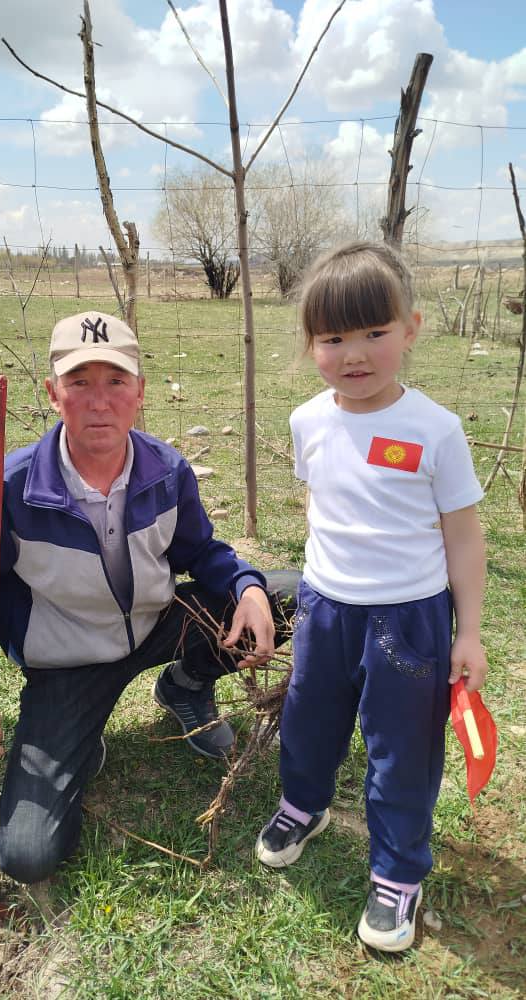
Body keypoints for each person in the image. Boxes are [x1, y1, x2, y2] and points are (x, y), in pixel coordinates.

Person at [0, 310, 296, 885]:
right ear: (53, 394)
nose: (99, 401)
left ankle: (186, 685)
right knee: (28, 855)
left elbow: (201, 552)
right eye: (79, 382)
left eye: (116, 380)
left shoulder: (167, 470)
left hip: (156, 624)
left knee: (286, 593)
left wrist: (246, 586)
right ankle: (78, 737)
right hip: (68, 662)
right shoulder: (8, 488)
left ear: (140, 392)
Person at [255, 241, 488, 952]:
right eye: (332, 338)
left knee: (402, 749)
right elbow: (322, 503)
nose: (353, 354)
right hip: (325, 607)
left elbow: (464, 537)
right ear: (311, 344)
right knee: (308, 717)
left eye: (374, 332)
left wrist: (468, 633)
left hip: (409, 619)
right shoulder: (308, 421)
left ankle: (396, 871)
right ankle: (304, 804)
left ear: (410, 329)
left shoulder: (435, 430)